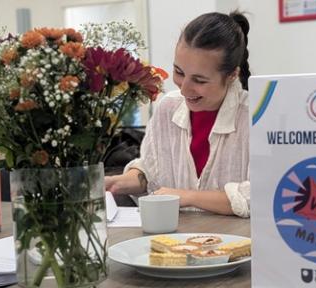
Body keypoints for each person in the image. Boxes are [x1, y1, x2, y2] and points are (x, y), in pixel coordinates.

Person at [105, 11, 251, 218]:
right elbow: (152, 172)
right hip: (176, 242)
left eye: (199, 81)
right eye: (179, 72)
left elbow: (260, 195)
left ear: (232, 75)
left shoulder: (254, 117)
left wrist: (187, 196)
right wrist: (117, 182)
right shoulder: (168, 108)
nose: (184, 90)